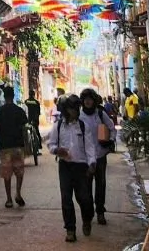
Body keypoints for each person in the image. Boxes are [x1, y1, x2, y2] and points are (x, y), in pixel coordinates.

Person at [48, 94, 96, 242]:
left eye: (76, 109)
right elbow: (51, 145)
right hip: (65, 166)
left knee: (85, 199)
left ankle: (87, 219)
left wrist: (92, 163)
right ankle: (70, 229)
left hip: (81, 166)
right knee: (66, 198)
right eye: (71, 109)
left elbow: (89, 146)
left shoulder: (83, 126)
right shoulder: (59, 126)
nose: (74, 111)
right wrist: (57, 151)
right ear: (65, 110)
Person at [79, 88, 117, 225]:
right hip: (85, 158)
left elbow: (112, 128)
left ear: (94, 101)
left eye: (90, 99)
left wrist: (111, 140)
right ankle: (88, 213)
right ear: (82, 101)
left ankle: (100, 211)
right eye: (85, 99)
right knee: (86, 187)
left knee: (100, 185)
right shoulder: (78, 116)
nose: (88, 101)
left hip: (100, 155)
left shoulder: (100, 114)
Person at [0, 87, 30, 208]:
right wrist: (26, 145)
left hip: (5, 146)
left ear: (4, 96)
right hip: (18, 145)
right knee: (19, 172)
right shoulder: (19, 110)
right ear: (13, 96)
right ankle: (18, 193)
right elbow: (25, 128)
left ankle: (8, 199)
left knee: (7, 173)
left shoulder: (0, 111)